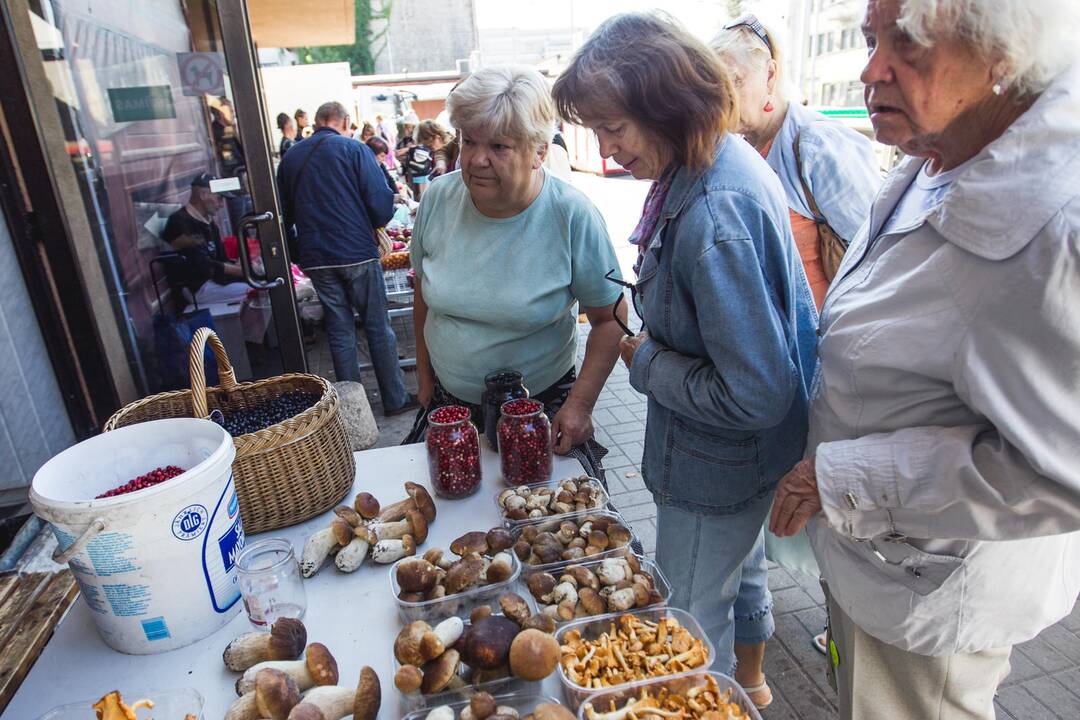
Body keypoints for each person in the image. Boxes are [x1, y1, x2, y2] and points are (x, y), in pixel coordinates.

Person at [768, 1, 1080, 718]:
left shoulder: (1061, 226)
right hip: (880, 558)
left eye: (905, 43)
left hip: (935, 583)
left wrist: (841, 475)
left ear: (1006, 51)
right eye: (869, 38)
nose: (870, 70)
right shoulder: (947, 144)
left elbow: (1062, 471)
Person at [553, 12, 817, 710]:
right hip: (740, 464)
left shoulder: (713, 212)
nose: (608, 150)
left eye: (615, 128)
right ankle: (749, 690)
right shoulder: (704, 166)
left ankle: (719, 696)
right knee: (741, 577)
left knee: (687, 635)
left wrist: (644, 360)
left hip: (718, 467)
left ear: (664, 103)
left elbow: (757, 393)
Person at [409, 65, 625, 477]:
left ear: (539, 151)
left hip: (543, 410)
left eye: (499, 146)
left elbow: (610, 320)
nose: (476, 159)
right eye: (467, 141)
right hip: (449, 404)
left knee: (543, 527)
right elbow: (424, 293)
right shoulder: (438, 199)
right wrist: (424, 376)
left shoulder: (571, 214)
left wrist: (580, 405)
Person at [712, 15, 880, 310]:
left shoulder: (818, 145)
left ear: (770, 75)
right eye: (715, 86)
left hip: (826, 339)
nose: (724, 98)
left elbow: (875, 255)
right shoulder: (742, 148)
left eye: (734, 81)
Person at [278, 101, 417, 416]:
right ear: (342, 120)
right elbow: (379, 202)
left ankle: (352, 408)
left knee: (339, 330)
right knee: (377, 326)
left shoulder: (291, 157)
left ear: (318, 120)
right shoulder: (353, 150)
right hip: (355, 251)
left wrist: (298, 251)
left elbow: (283, 213)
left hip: (316, 255)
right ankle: (394, 399)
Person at [161, 173, 269, 343]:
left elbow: (221, 259)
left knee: (262, 284)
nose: (221, 205)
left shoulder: (209, 224)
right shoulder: (180, 222)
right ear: (204, 195)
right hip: (198, 287)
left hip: (213, 281)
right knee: (262, 290)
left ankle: (249, 340)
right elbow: (204, 266)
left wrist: (245, 266)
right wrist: (244, 270)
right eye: (219, 198)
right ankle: (250, 341)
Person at [404, 120, 445, 198]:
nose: (429, 149)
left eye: (430, 146)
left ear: (438, 138)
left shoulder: (452, 154)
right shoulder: (434, 155)